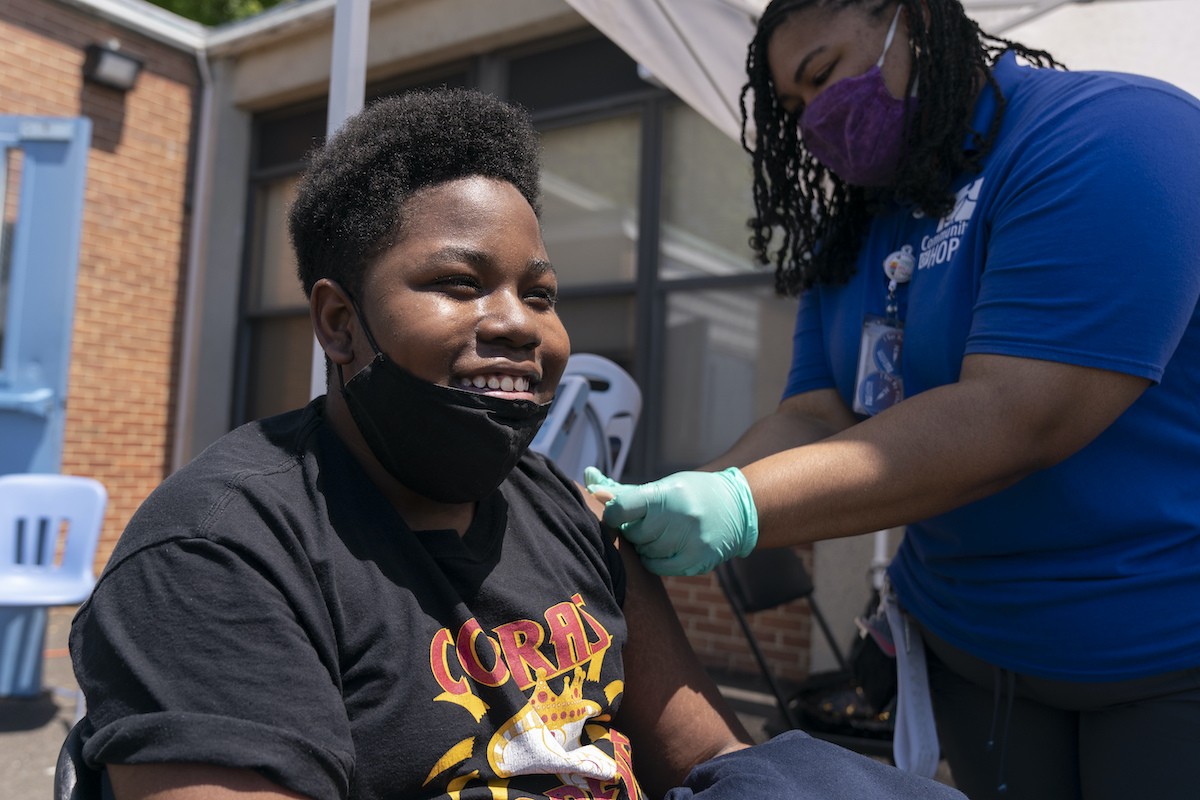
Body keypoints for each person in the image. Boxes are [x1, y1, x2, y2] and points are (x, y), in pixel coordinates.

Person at [69, 88, 966, 800]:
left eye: (539, 294)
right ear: (339, 323)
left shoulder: (570, 519)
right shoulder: (215, 556)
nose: (517, 325)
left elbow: (713, 761)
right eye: (458, 284)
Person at [586, 1, 1200, 798]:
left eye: (822, 76)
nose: (815, 122)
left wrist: (742, 507)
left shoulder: (1113, 138)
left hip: (1159, 650)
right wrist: (690, 487)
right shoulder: (856, 231)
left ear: (915, 20)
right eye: (794, 109)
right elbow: (818, 414)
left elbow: (1017, 414)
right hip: (973, 657)